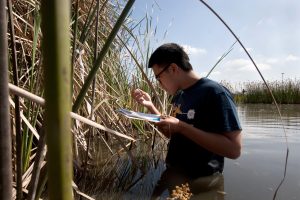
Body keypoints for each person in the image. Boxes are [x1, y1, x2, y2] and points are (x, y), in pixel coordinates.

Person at [131, 43, 242, 198]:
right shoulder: (179, 96)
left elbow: (234, 150)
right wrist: (150, 107)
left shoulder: (215, 93)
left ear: (173, 69)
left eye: (158, 77)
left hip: (202, 184)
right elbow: (174, 134)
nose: (159, 83)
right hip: (174, 177)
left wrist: (182, 127)